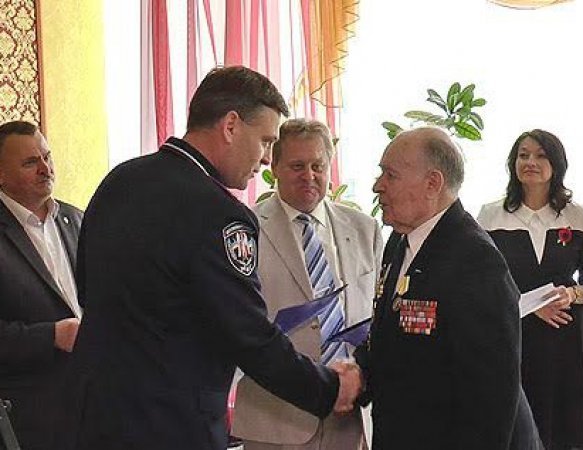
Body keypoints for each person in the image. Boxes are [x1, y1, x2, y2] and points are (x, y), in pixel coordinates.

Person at [56, 66, 361, 450]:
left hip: (95, 417)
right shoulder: (220, 214)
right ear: (231, 125)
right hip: (172, 427)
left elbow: (86, 287)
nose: (266, 159)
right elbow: (247, 334)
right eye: (265, 141)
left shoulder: (119, 180)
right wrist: (329, 388)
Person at [354, 127, 542, 449]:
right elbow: (392, 338)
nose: (378, 186)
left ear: (433, 183)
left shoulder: (476, 262)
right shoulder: (400, 240)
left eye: (390, 175)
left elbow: (491, 402)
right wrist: (358, 372)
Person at [233, 119, 383, 450]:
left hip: (351, 418)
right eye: (297, 166)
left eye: (318, 166)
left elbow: (378, 313)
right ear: (275, 167)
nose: (309, 176)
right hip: (276, 419)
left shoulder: (365, 229)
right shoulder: (245, 229)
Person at [478, 129, 583, 450]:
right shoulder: (491, 215)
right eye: (523, 155)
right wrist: (531, 305)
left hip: (567, 338)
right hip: (514, 335)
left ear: (556, 164)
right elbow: (483, 281)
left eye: (540, 155)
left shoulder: (577, 215)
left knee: (568, 431)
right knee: (518, 428)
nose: (530, 162)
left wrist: (572, 294)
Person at [0, 121, 82, 450]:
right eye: (30, 162)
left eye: (47, 157)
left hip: (93, 403)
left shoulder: (76, 219)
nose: (45, 169)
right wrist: (52, 336)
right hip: (29, 415)